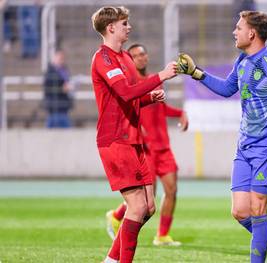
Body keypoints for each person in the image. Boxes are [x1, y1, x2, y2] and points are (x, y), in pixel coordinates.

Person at [177, 10, 267, 263]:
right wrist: (197, 73)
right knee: (241, 212)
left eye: (239, 28)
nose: (234, 31)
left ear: (252, 33)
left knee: (257, 209)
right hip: (244, 147)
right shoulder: (242, 60)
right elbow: (228, 88)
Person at [90, 6, 177, 263]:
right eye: (124, 23)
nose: (129, 27)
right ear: (111, 28)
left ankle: (111, 261)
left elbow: (130, 97)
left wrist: (150, 97)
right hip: (115, 140)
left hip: (134, 140)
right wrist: (161, 76)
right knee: (137, 207)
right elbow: (126, 93)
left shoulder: (126, 59)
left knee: (148, 208)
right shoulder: (102, 59)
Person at [106, 43, 189, 247]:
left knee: (172, 190)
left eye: (143, 53)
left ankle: (162, 235)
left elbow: (159, 109)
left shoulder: (154, 81)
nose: (141, 57)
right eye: (136, 55)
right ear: (130, 61)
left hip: (163, 147)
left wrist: (180, 113)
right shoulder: (131, 84)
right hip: (145, 150)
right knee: (143, 199)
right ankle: (116, 215)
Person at [43, 50, 73, 128]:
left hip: (63, 106)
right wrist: (61, 88)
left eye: (62, 58)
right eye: (60, 58)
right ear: (54, 58)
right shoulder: (50, 72)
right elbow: (48, 87)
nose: (61, 60)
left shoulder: (64, 70)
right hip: (54, 106)